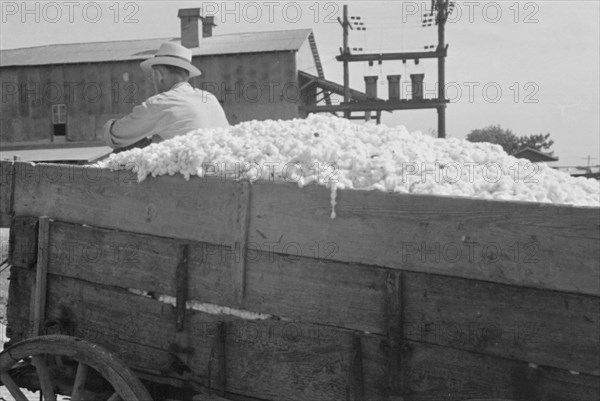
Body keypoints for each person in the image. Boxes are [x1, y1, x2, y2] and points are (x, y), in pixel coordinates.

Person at [103, 42, 229, 150]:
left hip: (194, 175)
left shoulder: (159, 103)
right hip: (222, 170)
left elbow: (114, 135)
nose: (152, 82)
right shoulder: (209, 98)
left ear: (159, 75)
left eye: (151, 77)